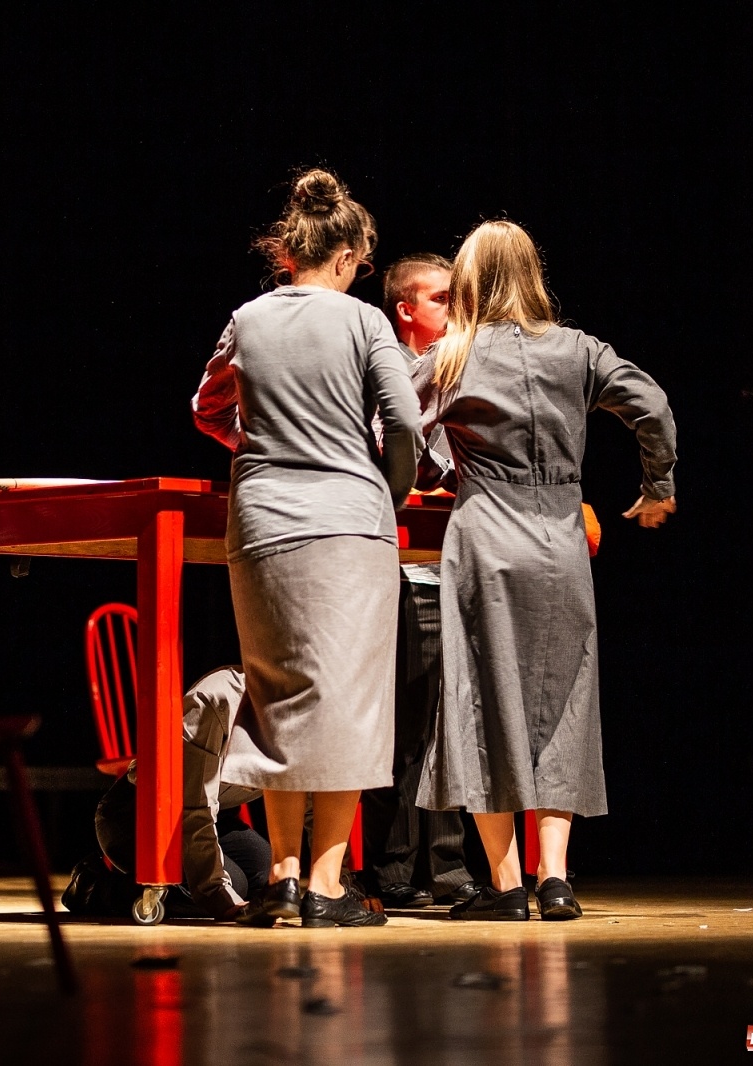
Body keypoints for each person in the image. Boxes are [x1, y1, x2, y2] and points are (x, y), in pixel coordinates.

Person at [413, 219, 677, 921]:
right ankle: (554, 877)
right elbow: (651, 405)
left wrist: (430, 468)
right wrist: (658, 487)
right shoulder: (578, 350)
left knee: (482, 700)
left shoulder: (451, 355)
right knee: (562, 697)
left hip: (487, 540)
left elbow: (392, 425)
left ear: (469, 281)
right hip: (561, 541)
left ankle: (503, 886)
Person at [193, 168, 421, 928]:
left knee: (280, 695)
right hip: (346, 524)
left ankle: (281, 880)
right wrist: (383, 491)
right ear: (351, 253)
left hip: (261, 524)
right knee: (349, 701)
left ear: (289, 248)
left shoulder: (248, 318)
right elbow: (405, 423)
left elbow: (207, 407)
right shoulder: (363, 322)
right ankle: (328, 884)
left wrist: (258, 442)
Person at [357, 255, 480, 910]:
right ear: (406, 309)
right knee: (406, 726)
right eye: (442, 299)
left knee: (453, 722)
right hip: (401, 573)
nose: (456, 309)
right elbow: (410, 468)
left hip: (457, 569)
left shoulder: (466, 373)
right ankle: (397, 871)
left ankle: (449, 867)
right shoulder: (387, 376)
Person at [80, 666, 272, 921]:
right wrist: (214, 891)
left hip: (217, 818)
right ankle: (96, 887)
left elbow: (312, 801)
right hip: (138, 815)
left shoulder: (304, 712)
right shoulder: (218, 700)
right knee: (231, 884)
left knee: (261, 867)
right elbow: (194, 806)